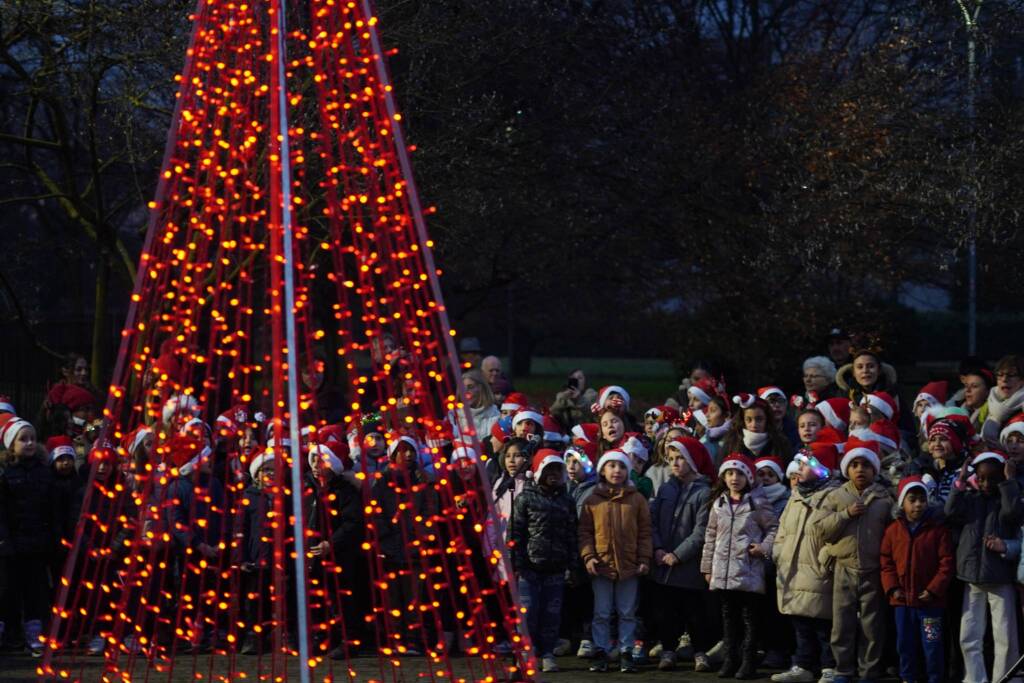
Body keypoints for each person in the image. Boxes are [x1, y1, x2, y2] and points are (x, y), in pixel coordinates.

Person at [813, 437, 894, 683]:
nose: (860, 469)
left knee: (872, 626)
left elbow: (892, 536)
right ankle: (843, 670)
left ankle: (869, 671)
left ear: (874, 470)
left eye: (866, 465)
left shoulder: (884, 500)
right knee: (842, 625)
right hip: (843, 569)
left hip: (873, 571)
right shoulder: (835, 497)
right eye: (855, 464)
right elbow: (819, 529)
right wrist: (846, 514)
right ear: (847, 468)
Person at [944, 451, 1024, 683]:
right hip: (972, 578)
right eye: (981, 478)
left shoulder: (1006, 499)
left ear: (1002, 477)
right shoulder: (970, 500)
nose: (986, 483)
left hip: (1000, 578)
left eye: (993, 478)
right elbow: (950, 512)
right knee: (968, 635)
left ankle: (1004, 679)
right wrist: (959, 482)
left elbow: (1013, 513)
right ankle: (974, 678)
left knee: (1005, 637)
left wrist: (1009, 481)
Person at [701, 453, 778, 680]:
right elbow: (711, 536)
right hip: (723, 573)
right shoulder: (720, 503)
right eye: (730, 473)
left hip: (748, 571)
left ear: (749, 477)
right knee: (728, 618)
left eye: (740, 473)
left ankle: (748, 661)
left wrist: (763, 548)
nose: (734, 478)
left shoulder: (758, 502)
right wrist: (707, 568)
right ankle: (730, 659)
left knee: (750, 619)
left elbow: (774, 529)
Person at [579, 449, 652, 673]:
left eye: (621, 467)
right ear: (602, 470)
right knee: (601, 612)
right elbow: (585, 532)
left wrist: (644, 558)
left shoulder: (637, 499)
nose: (617, 471)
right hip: (602, 565)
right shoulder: (592, 499)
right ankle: (600, 651)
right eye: (611, 466)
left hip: (629, 564)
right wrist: (589, 556)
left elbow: (645, 532)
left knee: (627, 611)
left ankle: (626, 651)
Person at [772, 450, 839, 683]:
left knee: (822, 624)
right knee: (800, 622)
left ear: (823, 468)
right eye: (797, 463)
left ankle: (829, 666)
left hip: (817, 571)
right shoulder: (795, 496)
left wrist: (826, 558)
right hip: (793, 569)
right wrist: (779, 552)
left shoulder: (833, 497)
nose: (798, 467)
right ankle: (803, 665)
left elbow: (837, 531)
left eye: (806, 463)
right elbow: (782, 528)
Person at [880, 476, 955, 683]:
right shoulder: (892, 531)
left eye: (922, 499)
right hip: (902, 602)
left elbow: (946, 563)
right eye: (912, 499)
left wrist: (933, 590)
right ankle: (908, 678)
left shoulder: (938, 531)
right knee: (905, 643)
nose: (918, 504)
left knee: (932, 645)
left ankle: (934, 679)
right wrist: (893, 588)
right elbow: (886, 563)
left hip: (930, 603)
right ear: (902, 503)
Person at [648, 438, 713, 672]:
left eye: (680, 458)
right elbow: (652, 521)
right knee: (666, 613)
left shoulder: (704, 492)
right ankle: (668, 650)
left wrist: (678, 554)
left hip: (688, 568)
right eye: (672, 459)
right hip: (663, 565)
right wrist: (657, 548)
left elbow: (701, 530)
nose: (675, 463)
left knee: (695, 613)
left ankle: (700, 651)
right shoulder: (666, 488)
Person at [511, 450, 579, 673]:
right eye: (549, 469)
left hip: (556, 568)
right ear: (539, 471)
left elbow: (572, 534)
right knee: (528, 612)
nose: (553, 474)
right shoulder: (524, 498)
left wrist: (572, 565)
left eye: (557, 469)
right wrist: (517, 565)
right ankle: (525, 654)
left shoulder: (567, 501)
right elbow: (516, 534)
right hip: (529, 568)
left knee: (551, 615)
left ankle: (548, 652)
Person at [0, 417, 55, 656]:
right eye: (24, 439)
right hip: (12, 541)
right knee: (8, 590)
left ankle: (34, 634)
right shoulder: (6, 474)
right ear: (12, 444)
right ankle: (10, 635)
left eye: (33, 438)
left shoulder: (44, 472)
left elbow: (51, 508)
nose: (30, 443)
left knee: (36, 591)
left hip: (37, 541)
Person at [720, 396, 792, 465]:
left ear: (767, 419)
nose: (754, 425)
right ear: (743, 420)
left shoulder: (780, 444)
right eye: (749, 420)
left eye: (759, 419)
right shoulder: (732, 443)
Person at [981, 355, 1024, 443]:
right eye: (1000, 375)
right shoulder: (989, 403)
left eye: (1011, 375)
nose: (1004, 379)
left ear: (1022, 380)